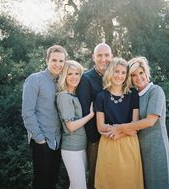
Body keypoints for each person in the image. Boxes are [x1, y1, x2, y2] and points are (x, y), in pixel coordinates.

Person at [108, 56, 169, 189]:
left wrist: (119, 128)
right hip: (138, 148)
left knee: (157, 184)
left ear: (146, 72)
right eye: (133, 75)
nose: (138, 77)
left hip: (156, 147)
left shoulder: (156, 91)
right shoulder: (134, 96)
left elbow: (150, 121)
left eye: (141, 73)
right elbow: (133, 123)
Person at [21, 45, 67, 189]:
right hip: (42, 141)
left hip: (58, 141)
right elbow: (27, 112)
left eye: (61, 61)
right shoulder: (35, 80)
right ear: (47, 60)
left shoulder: (62, 82)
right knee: (41, 183)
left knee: (52, 181)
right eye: (54, 60)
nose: (57, 64)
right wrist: (40, 139)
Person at [94, 57, 144, 189]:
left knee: (129, 182)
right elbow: (100, 126)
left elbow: (135, 124)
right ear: (110, 72)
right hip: (109, 143)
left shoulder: (133, 95)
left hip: (129, 143)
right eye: (117, 71)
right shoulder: (101, 96)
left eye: (123, 73)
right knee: (109, 182)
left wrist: (119, 131)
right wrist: (125, 128)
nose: (120, 75)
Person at [76, 42, 113, 189]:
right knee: (96, 179)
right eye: (99, 55)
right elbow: (86, 111)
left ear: (112, 56)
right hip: (96, 139)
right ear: (93, 57)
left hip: (116, 136)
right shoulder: (86, 79)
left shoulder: (116, 75)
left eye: (106, 55)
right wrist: (94, 140)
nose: (103, 59)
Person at [56, 60, 94, 189]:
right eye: (70, 74)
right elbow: (71, 126)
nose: (74, 77)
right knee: (80, 186)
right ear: (64, 76)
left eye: (77, 73)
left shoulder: (74, 95)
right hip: (71, 149)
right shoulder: (64, 96)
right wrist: (90, 115)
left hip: (80, 147)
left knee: (76, 185)